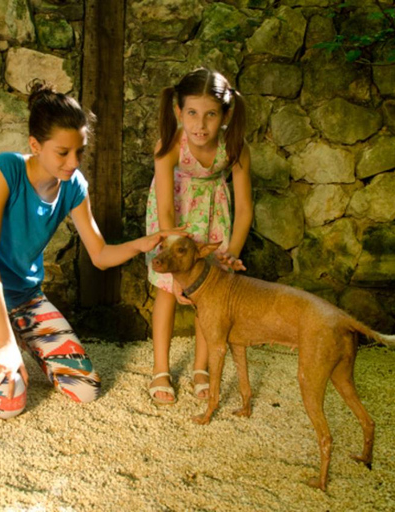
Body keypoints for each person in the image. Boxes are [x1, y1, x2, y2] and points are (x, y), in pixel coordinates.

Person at [0, 81, 186, 419]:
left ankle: (17, 332)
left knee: (85, 388)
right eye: (63, 152)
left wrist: (143, 243)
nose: (73, 162)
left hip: (25, 297)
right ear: (35, 145)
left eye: (80, 151)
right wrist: (6, 344)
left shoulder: (74, 186)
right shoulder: (6, 169)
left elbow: (99, 254)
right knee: (8, 404)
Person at [145, 68, 253, 405]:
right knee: (167, 292)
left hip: (212, 219)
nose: (200, 125)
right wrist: (173, 252)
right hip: (173, 223)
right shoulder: (170, 144)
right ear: (179, 111)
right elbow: (165, 209)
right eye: (191, 113)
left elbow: (246, 207)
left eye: (210, 114)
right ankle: (160, 369)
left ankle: (201, 368)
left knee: (209, 297)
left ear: (225, 115)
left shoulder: (234, 146)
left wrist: (230, 251)